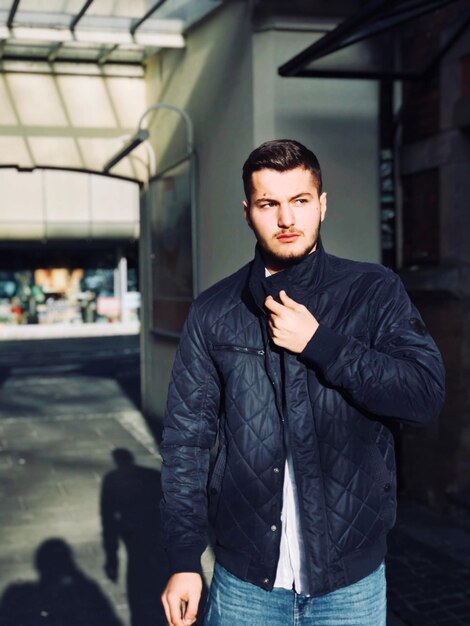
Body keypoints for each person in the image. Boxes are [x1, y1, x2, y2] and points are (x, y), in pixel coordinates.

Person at [160, 139, 445, 626]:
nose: (286, 219)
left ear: (322, 205)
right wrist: (185, 558)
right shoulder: (214, 312)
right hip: (246, 581)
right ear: (248, 211)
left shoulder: (372, 292)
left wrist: (322, 343)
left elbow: (423, 395)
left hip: (349, 584)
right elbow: (187, 439)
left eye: (300, 201)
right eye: (269, 203)